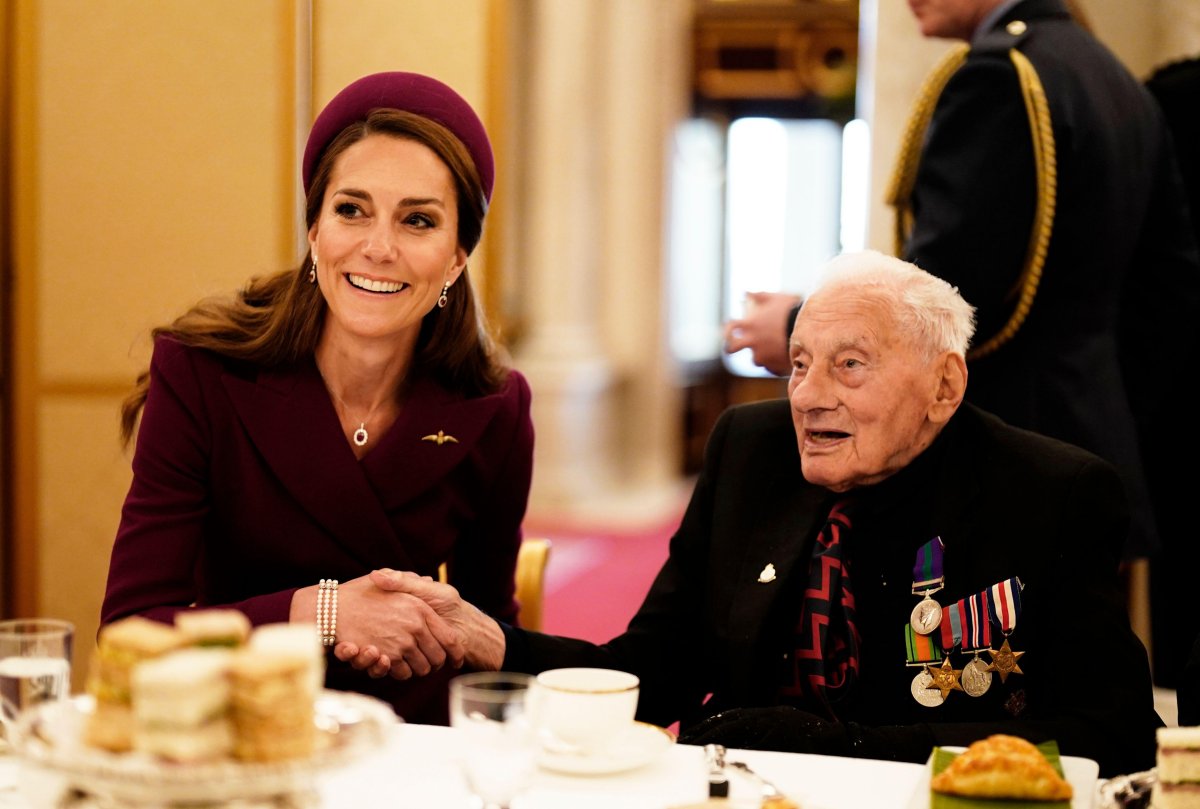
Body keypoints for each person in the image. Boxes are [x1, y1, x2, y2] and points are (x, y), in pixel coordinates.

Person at [372, 250, 1159, 777]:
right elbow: (656, 670)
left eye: (851, 366)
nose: (811, 396)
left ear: (944, 387)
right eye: (802, 364)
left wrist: (849, 748)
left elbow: (1114, 735)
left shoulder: (1051, 493)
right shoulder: (750, 450)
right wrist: (495, 641)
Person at [101, 71, 534, 724]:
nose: (378, 247)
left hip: (410, 744)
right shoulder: (200, 372)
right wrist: (324, 611)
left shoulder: (493, 408)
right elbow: (132, 627)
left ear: (456, 258)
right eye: (351, 209)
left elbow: (484, 636)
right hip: (234, 730)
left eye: (417, 220)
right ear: (314, 230)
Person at [724, 0, 1200, 562]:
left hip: (1006, 457)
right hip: (1091, 442)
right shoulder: (1106, 73)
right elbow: (1170, 290)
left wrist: (798, 326)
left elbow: (946, 291)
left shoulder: (1000, 79)